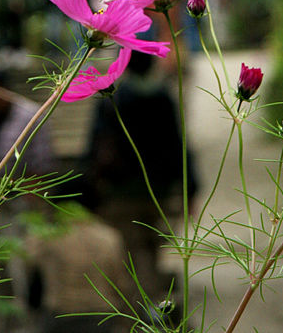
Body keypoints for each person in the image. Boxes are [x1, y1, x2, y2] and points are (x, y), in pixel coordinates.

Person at [82, 51, 198, 300]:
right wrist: (191, 187)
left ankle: (136, 311)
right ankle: (151, 304)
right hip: (157, 191)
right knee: (150, 249)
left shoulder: (112, 97)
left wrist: (89, 186)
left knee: (128, 253)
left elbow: (95, 145)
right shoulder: (162, 96)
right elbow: (178, 143)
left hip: (119, 192)